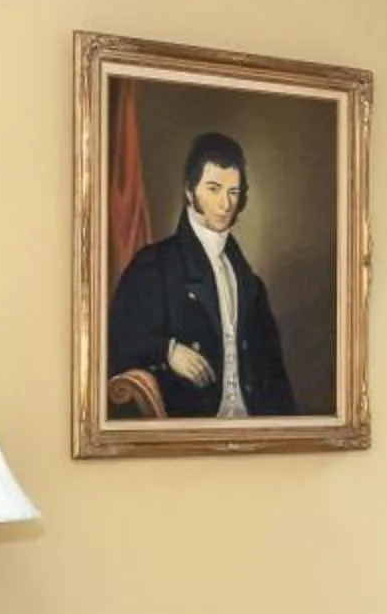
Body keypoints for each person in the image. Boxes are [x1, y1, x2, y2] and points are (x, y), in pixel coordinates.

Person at [106, 131, 296, 419]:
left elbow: (274, 374)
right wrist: (168, 351)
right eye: (214, 189)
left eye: (233, 192)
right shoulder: (153, 265)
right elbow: (117, 340)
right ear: (189, 191)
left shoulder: (249, 282)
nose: (225, 204)